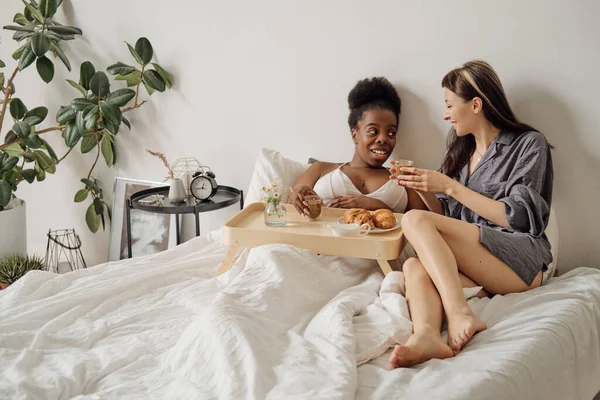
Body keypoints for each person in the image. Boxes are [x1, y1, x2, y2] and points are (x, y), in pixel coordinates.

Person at [388, 60, 554, 369]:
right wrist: (423, 186)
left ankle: (459, 312)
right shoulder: (458, 153)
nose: (445, 114)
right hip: (479, 260)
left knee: (413, 220)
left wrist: (451, 187)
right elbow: (444, 218)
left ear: (476, 104)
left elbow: (520, 218)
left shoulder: (529, 145)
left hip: (519, 259)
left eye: (450, 104)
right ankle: (427, 336)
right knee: (413, 266)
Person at [288, 77, 426, 215]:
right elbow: (289, 211)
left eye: (391, 132)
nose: (383, 139)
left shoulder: (404, 181)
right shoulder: (320, 169)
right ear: (355, 135)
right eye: (373, 131)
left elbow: (421, 223)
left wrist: (378, 207)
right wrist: (297, 195)